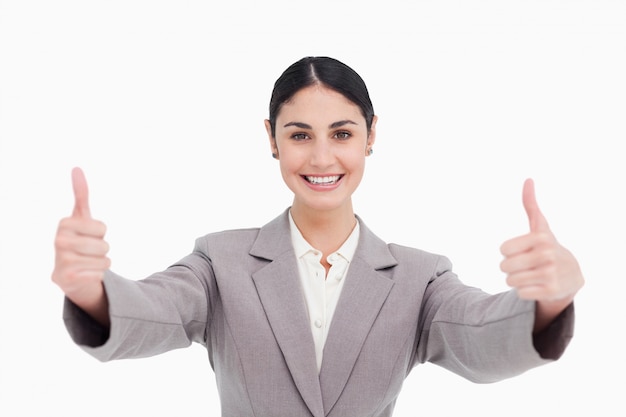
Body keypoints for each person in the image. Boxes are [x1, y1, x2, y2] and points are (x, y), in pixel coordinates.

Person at [52, 56, 584, 417]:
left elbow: (482, 335)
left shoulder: (420, 278)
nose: (323, 157)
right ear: (272, 139)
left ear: (372, 136)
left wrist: (548, 302)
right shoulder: (220, 260)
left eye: (343, 134)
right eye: (300, 134)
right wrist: (91, 290)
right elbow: (151, 310)